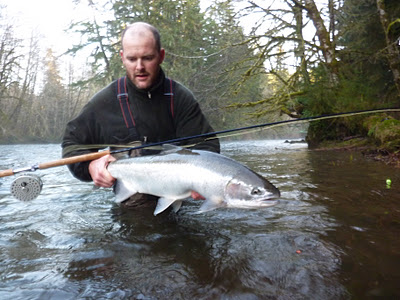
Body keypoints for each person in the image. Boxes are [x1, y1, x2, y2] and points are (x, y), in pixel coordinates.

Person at [62, 22, 220, 206]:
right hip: (131, 205)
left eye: (147, 58)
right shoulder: (105, 102)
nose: (139, 67)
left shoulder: (179, 98)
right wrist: (90, 166)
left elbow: (207, 145)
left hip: (179, 196)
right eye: (131, 59)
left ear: (161, 56)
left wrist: (203, 180)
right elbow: (71, 144)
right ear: (122, 57)